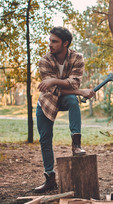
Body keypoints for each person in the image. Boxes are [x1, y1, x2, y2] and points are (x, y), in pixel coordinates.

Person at [34, 26, 95, 193]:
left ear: (65, 43)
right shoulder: (44, 61)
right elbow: (51, 90)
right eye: (50, 40)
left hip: (67, 97)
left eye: (54, 41)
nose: (50, 44)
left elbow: (74, 82)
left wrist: (55, 80)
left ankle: (76, 144)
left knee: (73, 102)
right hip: (47, 102)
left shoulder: (77, 57)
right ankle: (50, 179)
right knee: (45, 139)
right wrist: (80, 92)